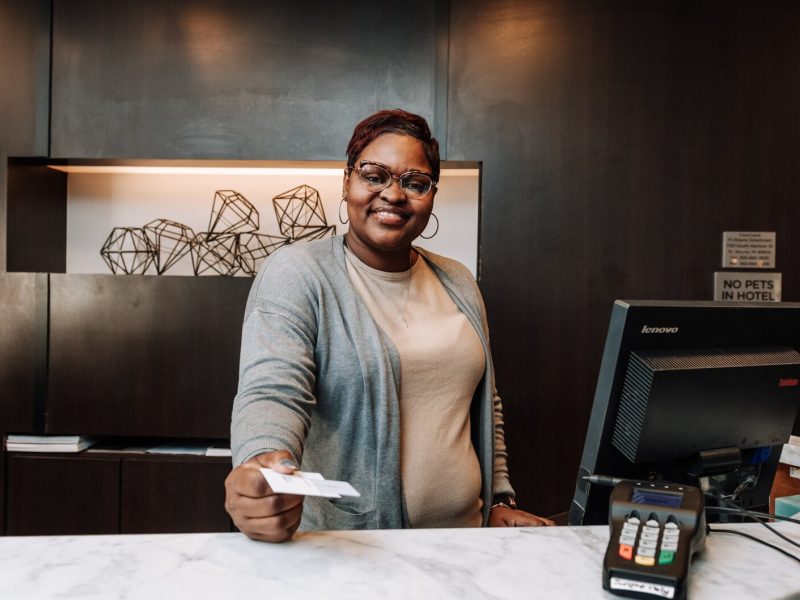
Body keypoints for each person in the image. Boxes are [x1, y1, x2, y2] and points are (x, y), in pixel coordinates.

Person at [224, 109, 554, 542]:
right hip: (358, 549)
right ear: (346, 183)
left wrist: (498, 502)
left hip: (468, 543)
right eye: (374, 175)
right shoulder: (298, 274)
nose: (393, 195)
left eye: (414, 182)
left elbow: (483, 404)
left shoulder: (457, 281)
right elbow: (272, 392)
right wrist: (262, 468)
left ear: (431, 195)